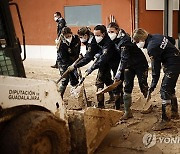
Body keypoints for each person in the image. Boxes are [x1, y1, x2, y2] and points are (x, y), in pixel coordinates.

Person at [133, 28, 180, 130]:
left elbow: (156, 70)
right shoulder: (157, 36)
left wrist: (152, 86)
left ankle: (166, 120)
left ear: (141, 40)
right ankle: (174, 112)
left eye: (137, 42)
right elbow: (171, 40)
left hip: (173, 64)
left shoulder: (152, 48)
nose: (137, 44)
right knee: (170, 87)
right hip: (175, 59)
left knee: (164, 89)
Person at [69, 25, 120, 108]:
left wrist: (91, 68)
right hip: (104, 62)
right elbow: (90, 55)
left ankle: (104, 105)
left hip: (114, 62)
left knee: (105, 82)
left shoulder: (108, 42)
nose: (96, 37)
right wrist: (76, 65)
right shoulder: (95, 40)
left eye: (98, 35)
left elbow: (102, 57)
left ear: (103, 34)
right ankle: (113, 98)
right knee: (107, 79)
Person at [111, 23, 149, 120]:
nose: (110, 33)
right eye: (108, 32)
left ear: (117, 30)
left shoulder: (125, 41)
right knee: (127, 86)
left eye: (112, 32)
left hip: (140, 64)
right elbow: (122, 58)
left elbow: (124, 58)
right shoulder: (116, 40)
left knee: (143, 84)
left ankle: (148, 104)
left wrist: (119, 72)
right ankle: (128, 111)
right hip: (129, 65)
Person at [57, 27, 81, 99]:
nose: (68, 37)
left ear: (71, 33)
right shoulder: (61, 44)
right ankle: (59, 97)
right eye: (66, 36)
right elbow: (64, 58)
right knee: (65, 79)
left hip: (74, 61)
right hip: (63, 62)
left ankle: (75, 97)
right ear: (63, 36)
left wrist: (76, 61)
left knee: (74, 79)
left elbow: (78, 49)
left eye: (69, 36)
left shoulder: (76, 39)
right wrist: (69, 66)